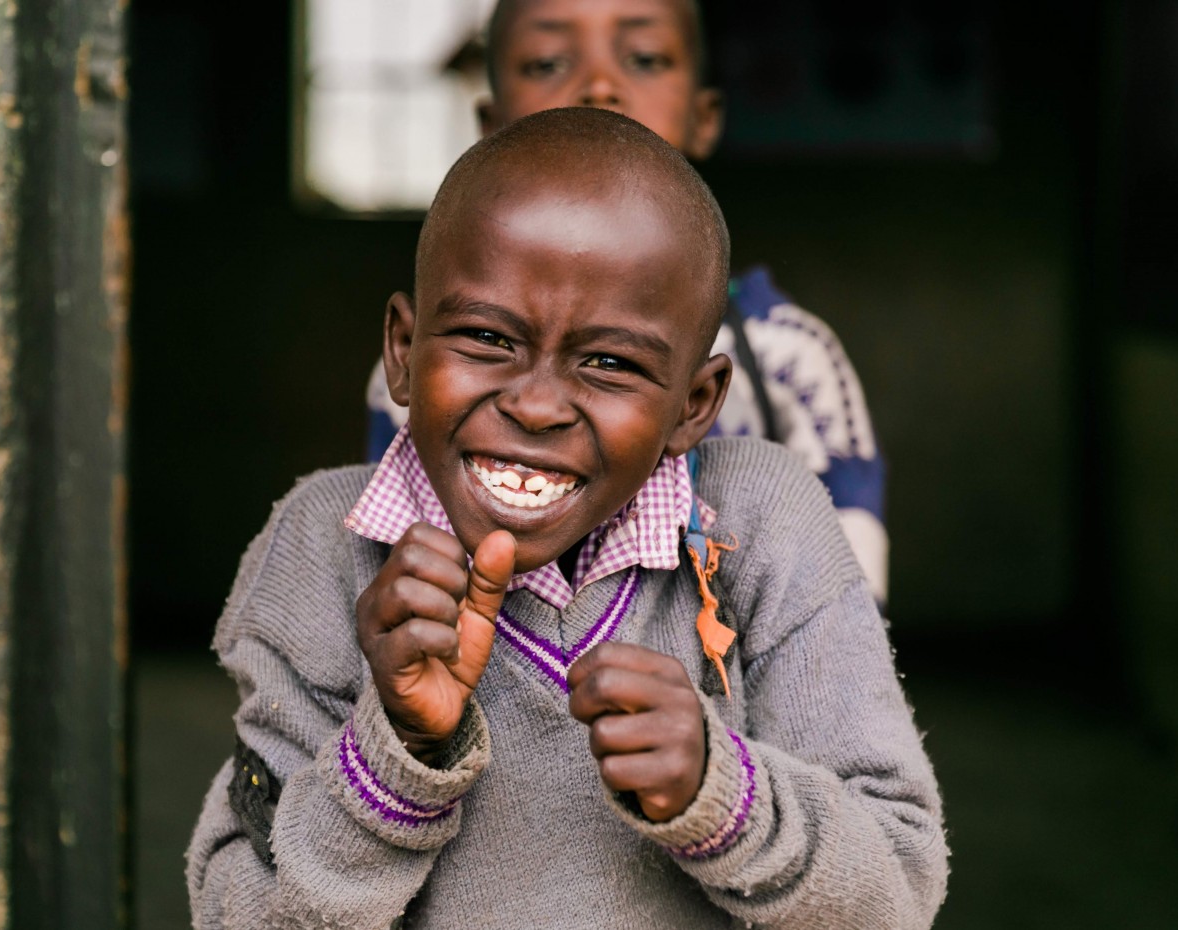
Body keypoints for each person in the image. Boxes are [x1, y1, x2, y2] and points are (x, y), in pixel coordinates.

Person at [189, 108, 946, 928]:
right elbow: (237, 913)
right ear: (402, 350)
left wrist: (723, 794)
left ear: (695, 404)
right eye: (487, 337)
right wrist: (397, 754)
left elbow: (896, 893)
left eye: (611, 362)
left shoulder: (760, 526)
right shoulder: (324, 548)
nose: (538, 404)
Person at [365, 0, 890, 603]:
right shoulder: (428, 370)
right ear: (489, 122)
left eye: (643, 59)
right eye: (546, 63)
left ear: (704, 117)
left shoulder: (794, 362)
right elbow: (396, 576)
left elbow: (845, 620)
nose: (599, 86)